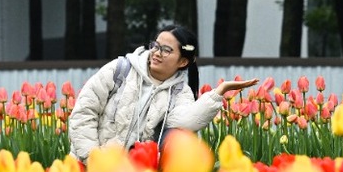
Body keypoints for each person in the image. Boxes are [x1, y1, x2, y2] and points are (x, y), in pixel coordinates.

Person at [68, 24, 256, 163]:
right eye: (156, 46)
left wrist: (218, 93)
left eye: (166, 50)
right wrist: (92, 158)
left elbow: (185, 122)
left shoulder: (180, 92)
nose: (157, 53)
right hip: (91, 165)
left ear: (183, 61)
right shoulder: (120, 69)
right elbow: (84, 112)